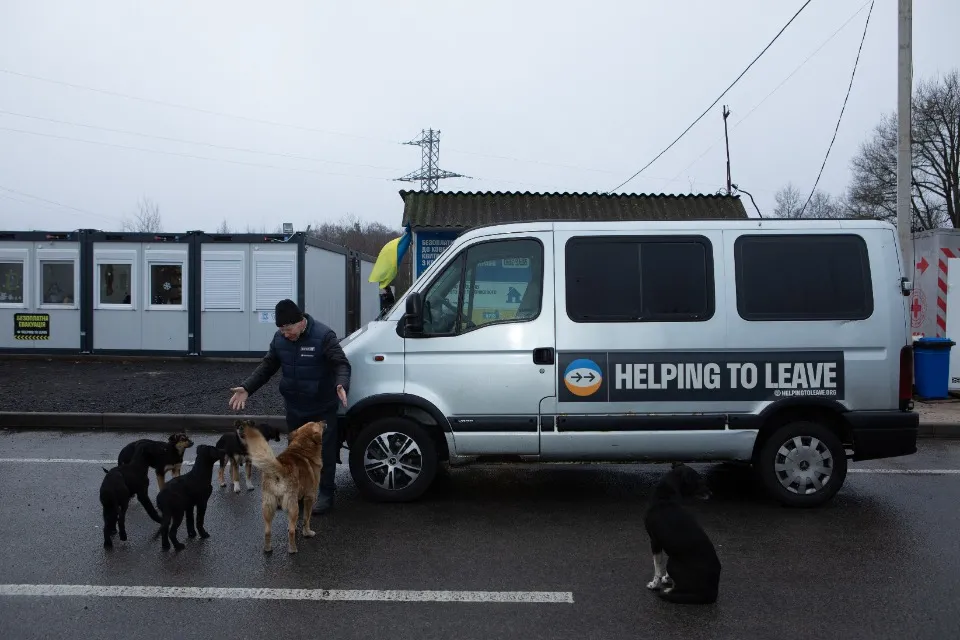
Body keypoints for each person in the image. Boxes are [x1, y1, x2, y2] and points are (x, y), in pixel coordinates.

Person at [228, 298, 351, 515]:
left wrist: (341, 384)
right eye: (281, 329)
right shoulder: (280, 340)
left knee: (324, 453)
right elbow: (268, 366)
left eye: (288, 328)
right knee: (295, 453)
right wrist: (247, 388)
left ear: (300, 321)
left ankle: (325, 494)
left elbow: (340, 363)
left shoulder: (323, 335)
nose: (285, 333)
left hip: (321, 408)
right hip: (295, 407)